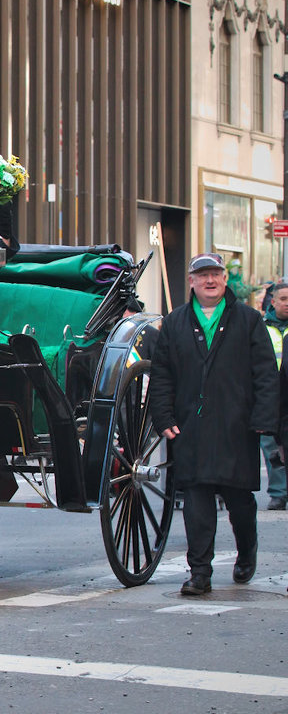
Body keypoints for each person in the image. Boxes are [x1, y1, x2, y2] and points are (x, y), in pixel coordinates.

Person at [150, 252, 278, 596]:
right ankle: (200, 574)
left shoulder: (249, 320)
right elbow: (161, 375)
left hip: (236, 426)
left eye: (215, 274)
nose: (209, 280)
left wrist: (264, 419)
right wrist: (163, 417)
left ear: (224, 280)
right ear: (191, 281)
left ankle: (246, 549)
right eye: (202, 275)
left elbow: (266, 374)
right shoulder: (175, 322)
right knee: (197, 502)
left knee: (239, 501)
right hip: (190, 428)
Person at [262, 283, 288, 510]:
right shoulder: (262, 328)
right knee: (271, 445)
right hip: (270, 393)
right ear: (273, 302)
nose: (287, 304)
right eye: (283, 299)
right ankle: (279, 493)